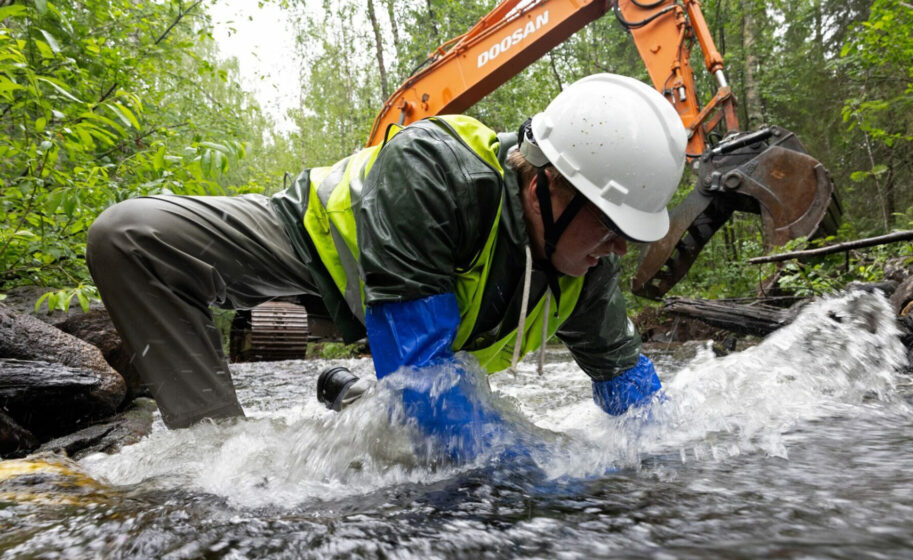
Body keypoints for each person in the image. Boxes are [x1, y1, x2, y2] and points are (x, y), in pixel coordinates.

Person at [86, 73, 686, 461]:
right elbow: (422, 386)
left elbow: (632, 391)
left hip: (413, 330)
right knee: (129, 237)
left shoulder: (590, 266)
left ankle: (353, 402)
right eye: (611, 225)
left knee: (413, 431)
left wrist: (668, 462)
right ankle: (216, 456)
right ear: (547, 182)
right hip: (314, 257)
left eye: (629, 233)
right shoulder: (437, 170)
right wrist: (551, 468)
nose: (619, 248)